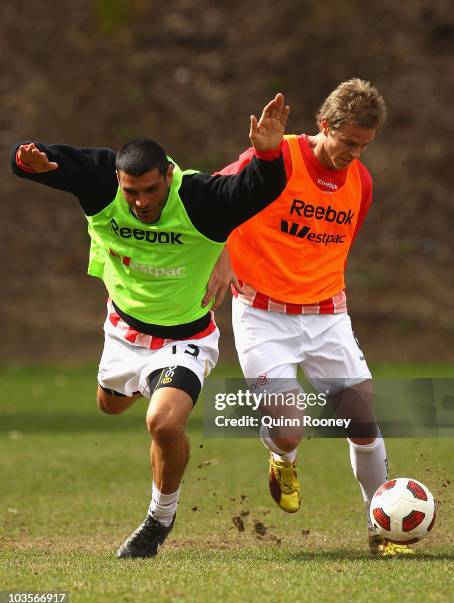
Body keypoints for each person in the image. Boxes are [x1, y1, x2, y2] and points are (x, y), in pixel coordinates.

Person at [10, 93, 290, 558]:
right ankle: (140, 384)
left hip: (186, 339)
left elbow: (259, 188)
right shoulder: (103, 183)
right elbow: (45, 160)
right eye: (131, 191)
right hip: (123, 332)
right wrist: (29, 160)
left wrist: (267, 152)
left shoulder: (201, 200)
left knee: (162, 422)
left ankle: (159, 519)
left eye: (151, 190)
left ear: (169, 177)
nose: (140, 201)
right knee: (109, 406)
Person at [217, 79, 413, 557]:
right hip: (262, 316)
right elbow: (211, 203)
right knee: (289, 428)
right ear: (325, 125)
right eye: (349, 143)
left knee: (363, 423)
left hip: (327, 316)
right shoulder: (274, 157)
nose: (355, 154)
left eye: (365, 146)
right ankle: (282, 456)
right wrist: (223, 257)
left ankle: (381, 528)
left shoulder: (361, 182)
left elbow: (335, 244)